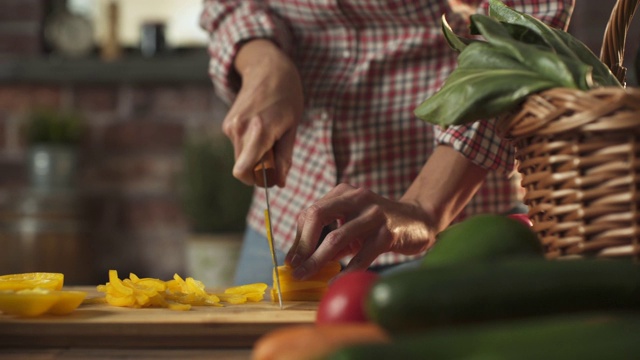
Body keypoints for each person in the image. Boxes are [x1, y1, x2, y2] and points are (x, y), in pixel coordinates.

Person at [200, 0, 575, 285]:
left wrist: (423, 206)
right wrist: (264, 62)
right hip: (283, 226)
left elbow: (525, 22)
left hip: (453, 233)